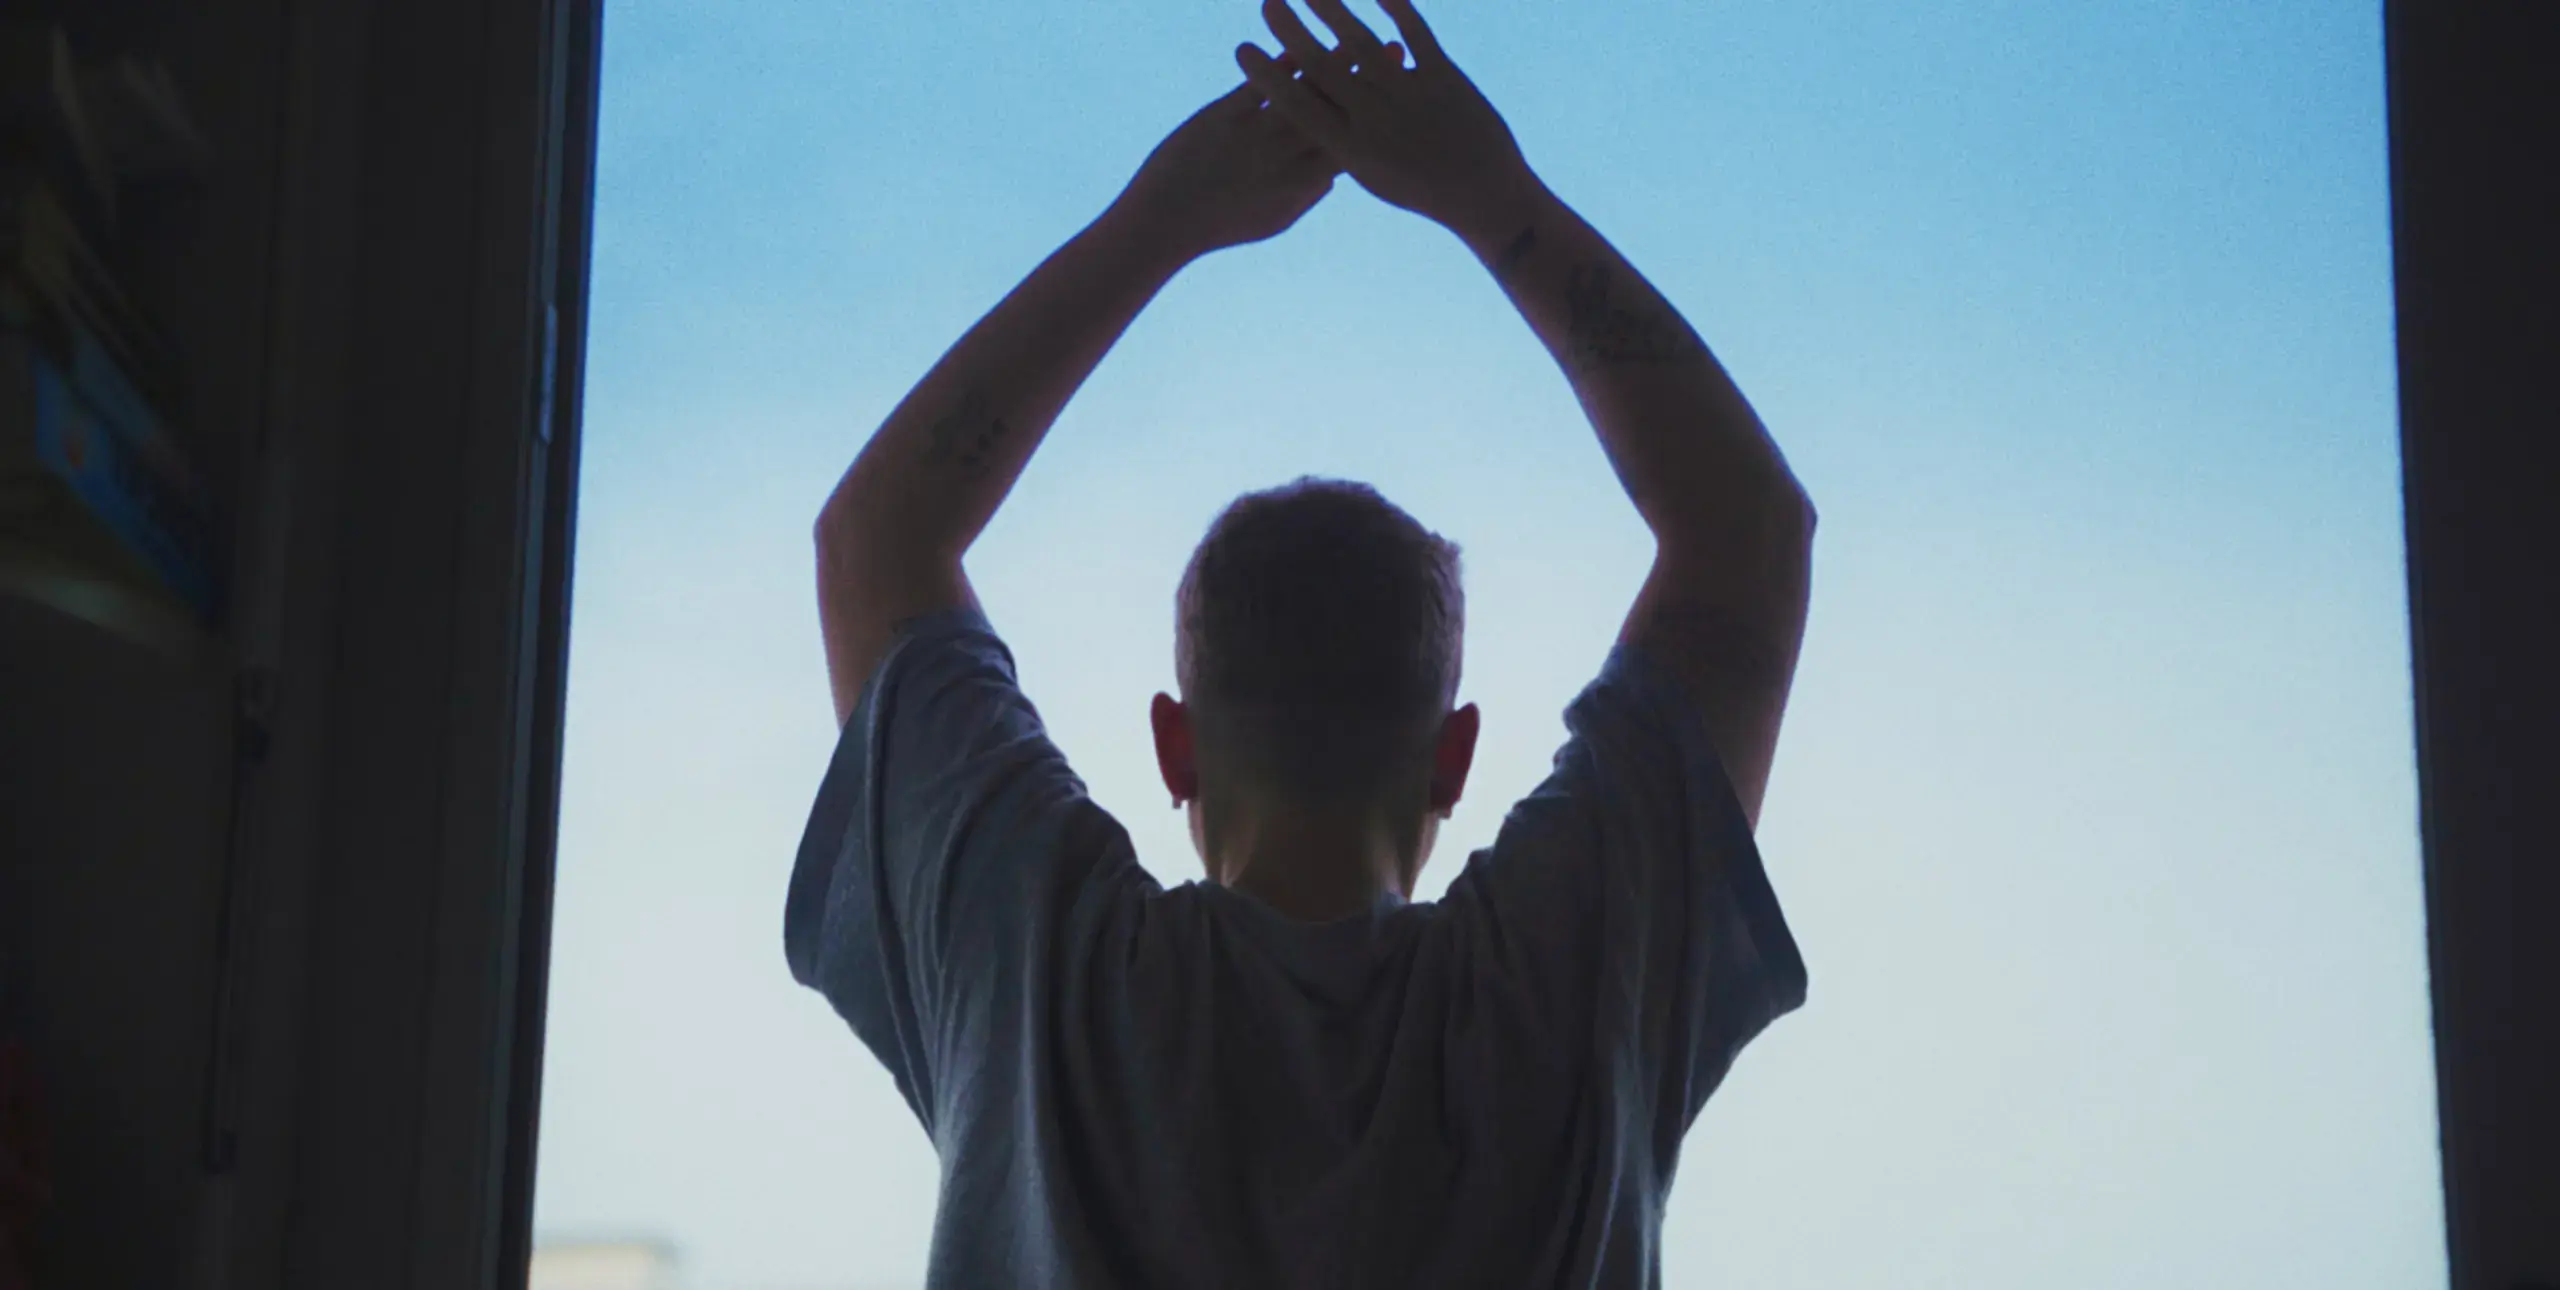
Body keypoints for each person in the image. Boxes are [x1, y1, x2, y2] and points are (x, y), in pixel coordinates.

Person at [785, 2, 1816, 1284]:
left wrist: (1152, 226)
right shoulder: (1569, 982)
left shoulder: (1037, 967)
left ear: (1176, 745)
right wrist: (1493, 198)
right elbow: (1746, 541)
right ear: (1451, 755)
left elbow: (874, 545)